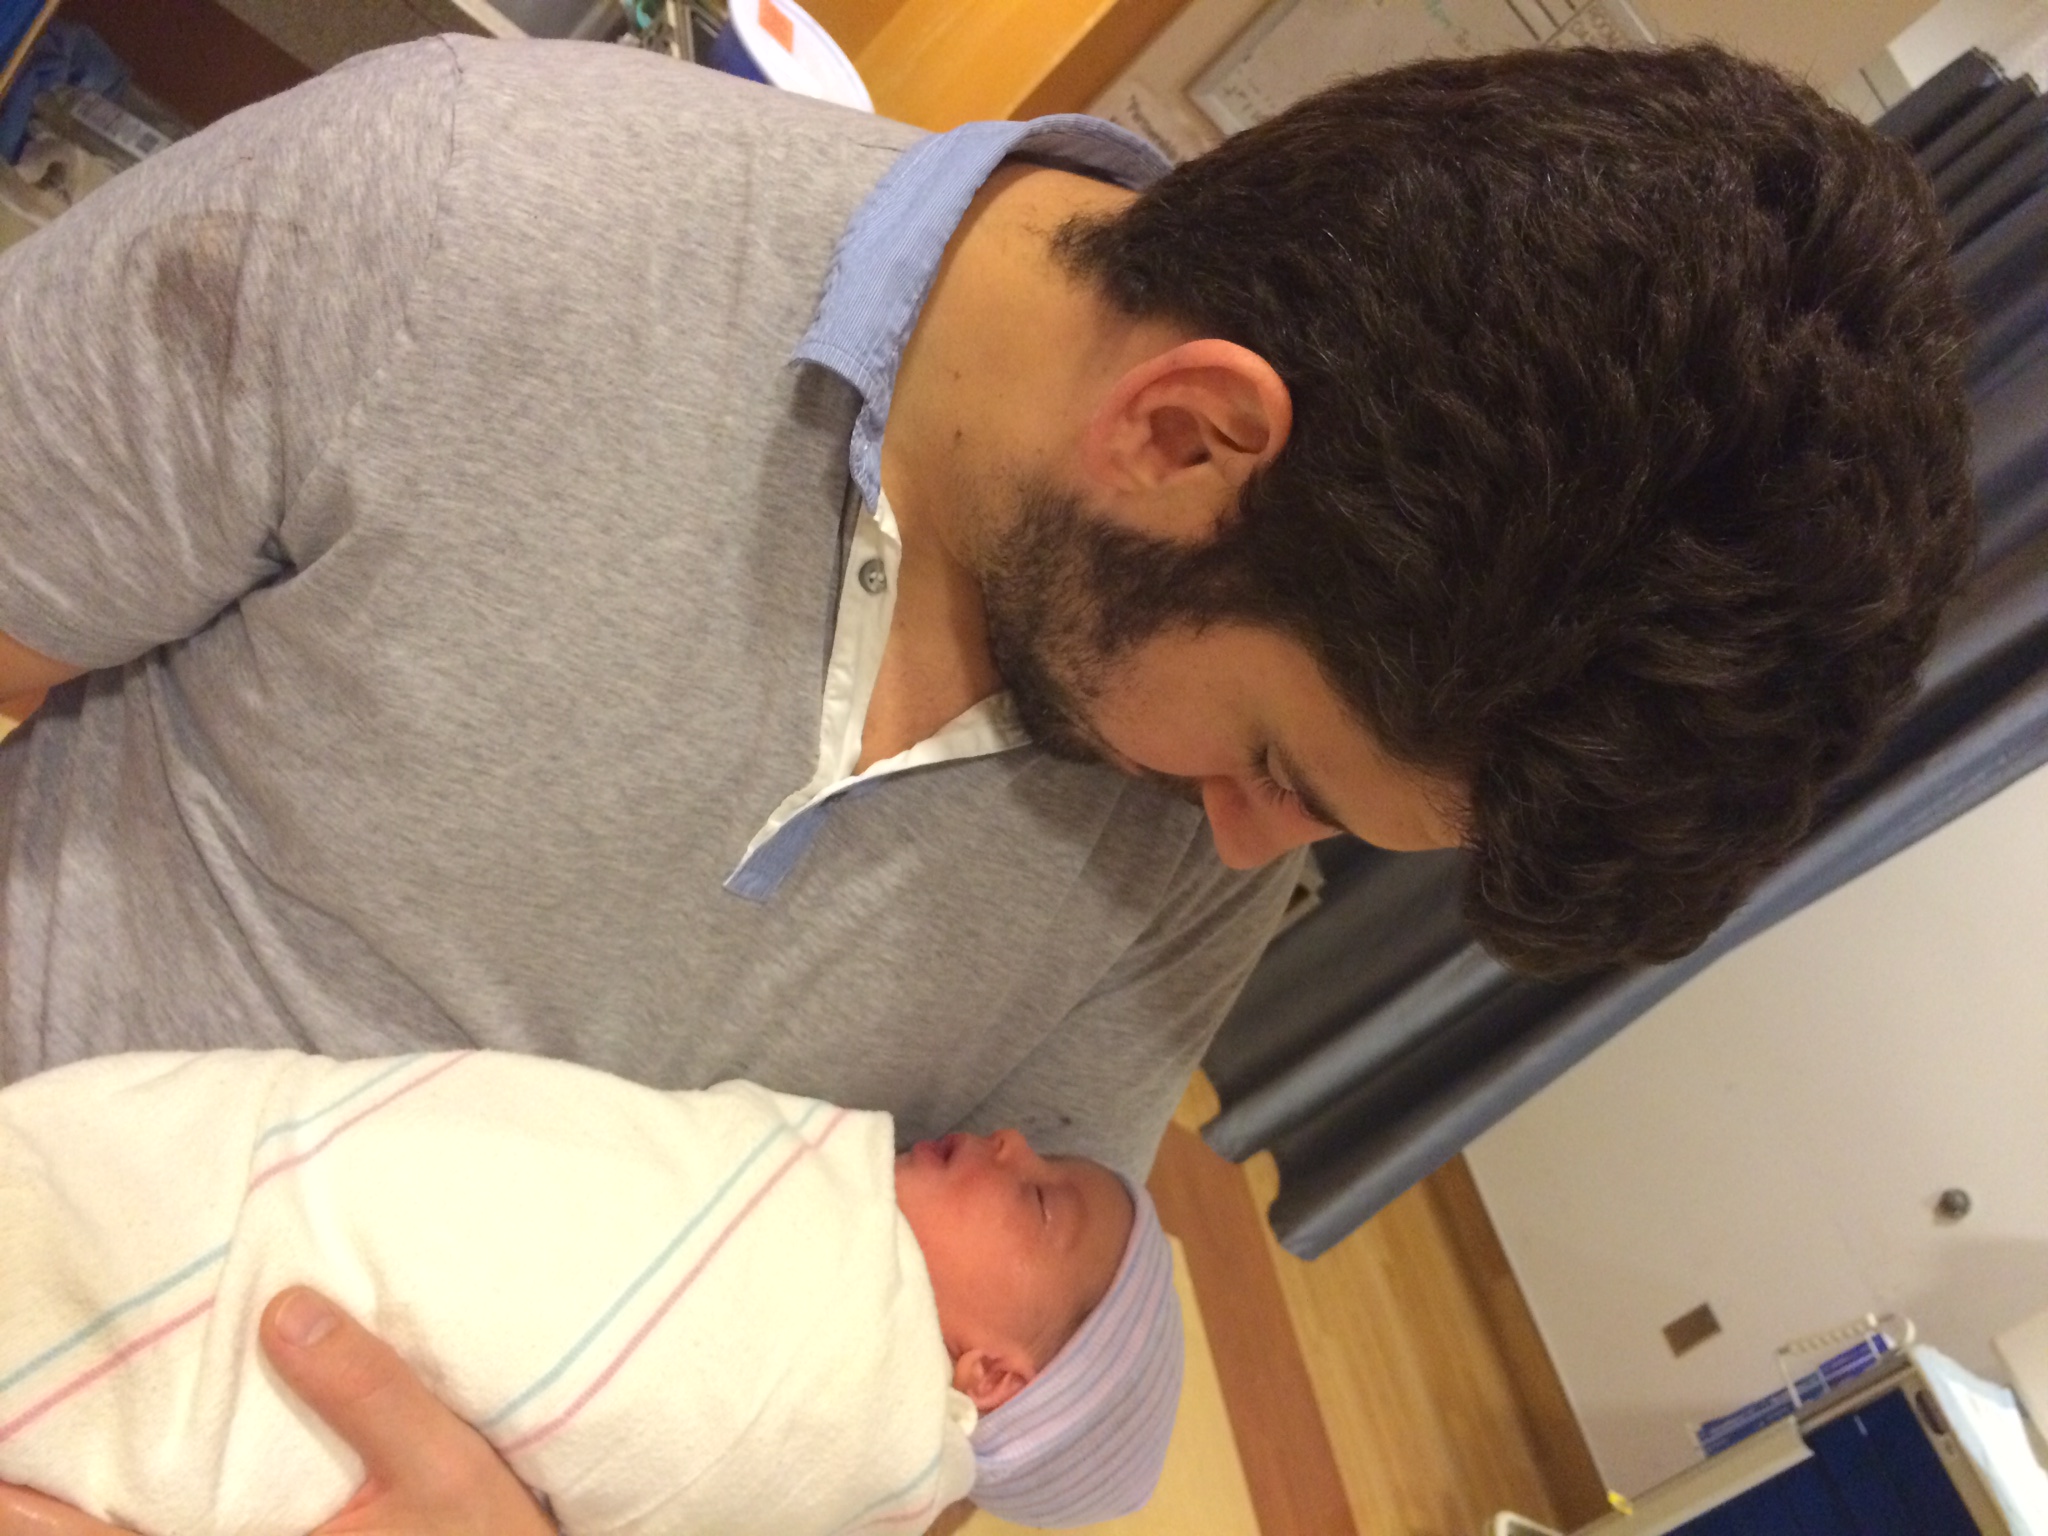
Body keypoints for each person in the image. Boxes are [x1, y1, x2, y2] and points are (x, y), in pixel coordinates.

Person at [0, 29, 1974, 1536]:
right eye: (1275, 763)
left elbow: (933, 1413)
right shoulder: (455, 215)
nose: (1243, 851)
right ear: (1184, 434)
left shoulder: (1188, 845)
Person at [0, 1050, 1179, 1533]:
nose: (1011, 1141)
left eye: (1040, 1204)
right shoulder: (812, 1213)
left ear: (988, 1375)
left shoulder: (837, 1388)